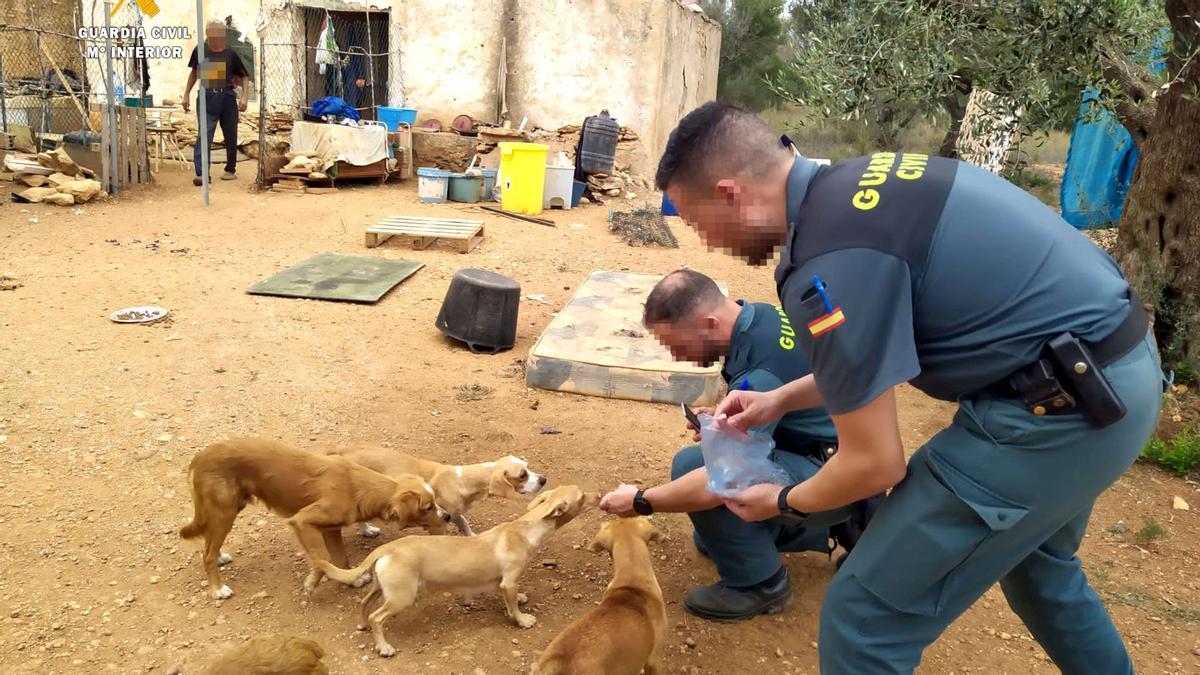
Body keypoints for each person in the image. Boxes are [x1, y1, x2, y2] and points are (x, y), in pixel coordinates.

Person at [654, 101, 1163, 674]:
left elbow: (875, 464)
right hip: (1118, 372)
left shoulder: (825, 263)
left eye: (699, 225)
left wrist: (781, 501)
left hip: (1053, 414)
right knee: (1041, 572)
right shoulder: (860, 184)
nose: (709, 244)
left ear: (729, 193)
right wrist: (779, 398)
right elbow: (869, 354)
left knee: (862, 620)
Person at [599, 269, 880, 622]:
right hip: (836, 453)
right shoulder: (757, 318)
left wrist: (642, 500)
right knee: (712, 532)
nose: (676, 355)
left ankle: (760, 585)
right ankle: (817, 528)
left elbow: (725, 478)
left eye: (677, 344)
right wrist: (720, 417)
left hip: (835, 477)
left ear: (710, 323)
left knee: (693, 466)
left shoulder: (763, 371)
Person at [183, 20, 249, 186]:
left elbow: (245, 76)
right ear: (208, 34)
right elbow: (194, 72)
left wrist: (245, 97)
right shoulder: (200, 51)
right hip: (207, 97)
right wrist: (186, 95)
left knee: (230, 134)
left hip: (227, 97)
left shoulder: (230, 54)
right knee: (204, 134)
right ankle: (202, 173)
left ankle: (230, 169)